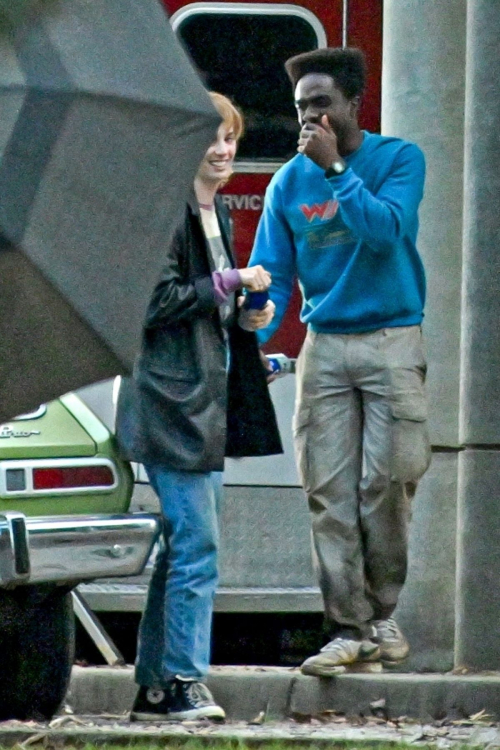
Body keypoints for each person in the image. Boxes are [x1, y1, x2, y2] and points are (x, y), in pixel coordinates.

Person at [249, 48, 431, 676]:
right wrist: (259, 318)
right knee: (327, 491)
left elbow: (386, 231)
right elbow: (273, 275)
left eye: (321, 104)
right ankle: (347, 627)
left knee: (386, 485)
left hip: (391, 338)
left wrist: (335, 174)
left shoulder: (398, 160)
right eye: (301, 108)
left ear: (354, 105)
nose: (309, 119)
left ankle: (382, 613)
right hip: (323, 345)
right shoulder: (287, 181)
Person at [116, 92, 280, 720]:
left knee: (183, 545)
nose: (222, 150)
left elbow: (208, 305)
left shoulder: (218, 217)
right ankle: (185, 680)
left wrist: (245, 314)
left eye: (232, 138)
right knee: (198, 544)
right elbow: (153, 304)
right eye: (211, 137)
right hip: (168, 402)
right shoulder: (165, 212)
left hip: (203, 404)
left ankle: (156, 688)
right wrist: (231, 283)